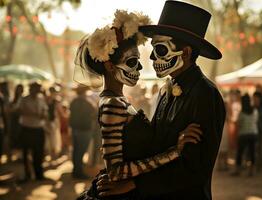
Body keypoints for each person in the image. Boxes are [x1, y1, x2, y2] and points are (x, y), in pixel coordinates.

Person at [99, 1, 226, 199]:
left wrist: (133, 184)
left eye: (160, 49)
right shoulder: (165, 90)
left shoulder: (205, 94)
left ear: (185, 53)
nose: (150, 58)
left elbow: (195, 168)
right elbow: (156, 146)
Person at [75, 9, 203, 199]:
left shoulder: (117, 101)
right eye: (133, 61)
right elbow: (116, 172)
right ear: (110, 67)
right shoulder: (112, 104)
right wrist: (174, 152)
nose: (141, 67)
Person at [19, 82, 48, 181]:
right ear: (31, 89)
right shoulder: (24, 99)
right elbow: (21, 111)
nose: (37, 91)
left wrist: (43, 114)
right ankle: (27, 175)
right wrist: (34, 113)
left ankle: (39, 174)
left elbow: (45, 111)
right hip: (27, 128)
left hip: (38, 129)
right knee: (26, 153)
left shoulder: (41, 99)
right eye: (35, 89)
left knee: (39, 153)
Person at [70, 84, 96, 179]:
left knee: (76, 151)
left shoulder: (74, 101)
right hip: (84, 130)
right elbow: (93, 113)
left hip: (75, 129)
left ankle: (76, 170)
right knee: (80, 151)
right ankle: (78, 171)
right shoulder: (87, 102)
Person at [232, 94, 258, 176]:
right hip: (253, 133)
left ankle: (238, 170)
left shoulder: (242, 113)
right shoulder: (255, 111)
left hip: (243, 134)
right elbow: (256, 121)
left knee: (240, 152)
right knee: (252, 152)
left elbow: (239, 124)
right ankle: (252, 171)